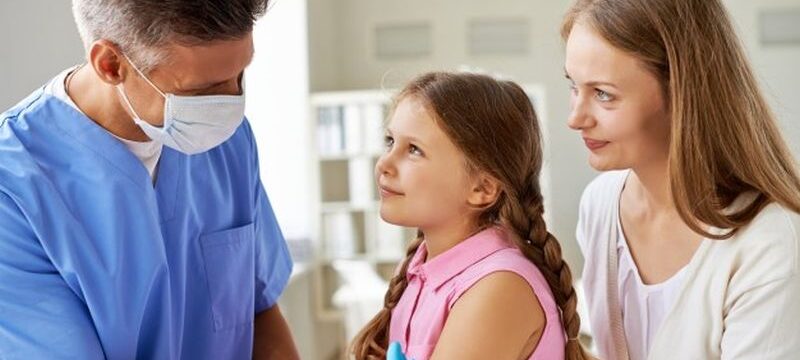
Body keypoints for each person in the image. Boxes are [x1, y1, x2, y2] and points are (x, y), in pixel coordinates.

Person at [0, 1, 299, 358]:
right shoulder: (14, 190)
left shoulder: (228, 140)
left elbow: (260, 311)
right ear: (111, 65)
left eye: (239, 76)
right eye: (201, 92)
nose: (229, 102)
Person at [562, 0, 800, 359]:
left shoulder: (772, 243)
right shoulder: (599, 204)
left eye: (603, 94)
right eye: (573, 87)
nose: (576, 118)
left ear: (681, 92)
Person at [351, 72, 590, 360]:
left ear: (482, 188)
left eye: (414, 150)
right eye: (390, 141)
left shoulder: (499, 287)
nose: (384, 164)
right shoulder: (422, 268)